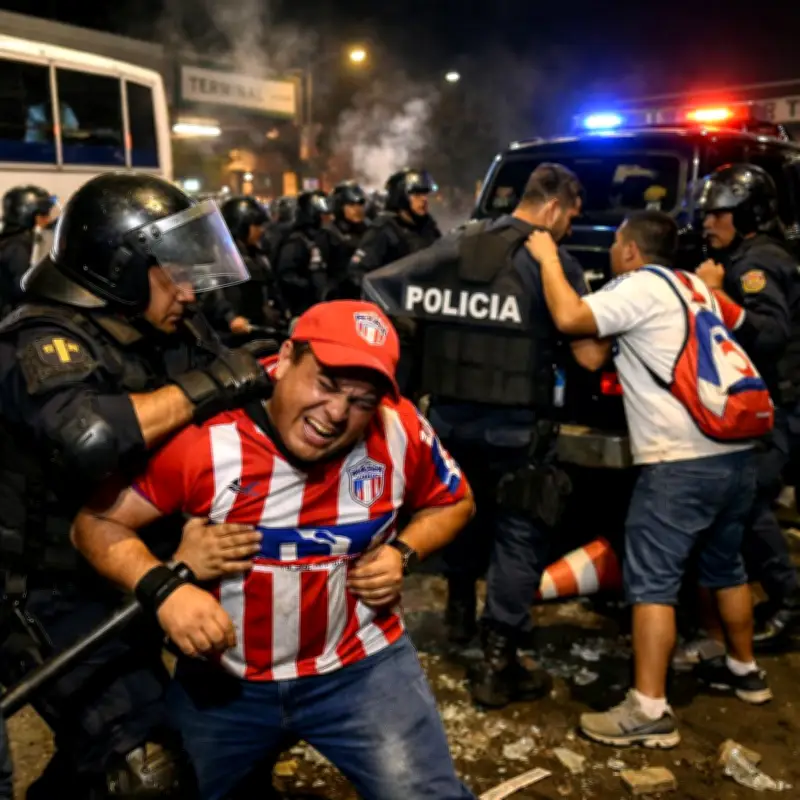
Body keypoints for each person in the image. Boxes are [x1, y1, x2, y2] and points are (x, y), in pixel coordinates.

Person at [72, 300, 476, 800]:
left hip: (361, 671)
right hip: (226, 682)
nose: (336, 414)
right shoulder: (206, 437)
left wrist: (405, 553)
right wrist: (165, 591)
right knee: (149, 789)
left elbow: (455, 501)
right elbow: (95, 523)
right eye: (326, 384)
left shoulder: (399, 428)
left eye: (361, 400)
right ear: (284, 359)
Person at [0, 172, 272, 797]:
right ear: (118, 270)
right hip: (50, 593)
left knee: (229, 729)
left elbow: (235, 394)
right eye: (171, 273)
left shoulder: (165, 328)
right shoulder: (42, 339)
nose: (189, 292)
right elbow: (90, 438)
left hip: (150, 564)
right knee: (143, 766)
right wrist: (211, 386)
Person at [363, 163, 609, 708]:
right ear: (552, 208)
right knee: (520, 535)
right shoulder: (554, 262)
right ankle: (498, 664)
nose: (569, 229)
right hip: (517, 428)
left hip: (448, 422)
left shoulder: (455, 245)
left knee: (456, 517)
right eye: (569, 217)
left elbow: (378, 289)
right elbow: (590, 355)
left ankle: (456, 617)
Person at [530, 209, 771, 747]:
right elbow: (594, 353)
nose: (615, 250)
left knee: (652, 584)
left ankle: (649, 710)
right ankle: (743, 669)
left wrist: (549, 260)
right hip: (734, 455)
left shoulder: (639, 286)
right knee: (726, 566)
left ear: (632, 251)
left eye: (618, 242)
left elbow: (571, 319)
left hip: (678, 462)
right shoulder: (692, 286)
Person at [695, 163, 800, 648]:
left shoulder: (756, 265)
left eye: (720, 215)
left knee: (749, 501)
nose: (708, 223)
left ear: (749, 215)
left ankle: (790, 601)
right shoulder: (753, 254)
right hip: (770, 404)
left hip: (779, 406)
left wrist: (718, 296)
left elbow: (773, 332)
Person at [204, 195, 288, 339]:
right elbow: (213, 293)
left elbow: (271, 288)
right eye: (256, 225)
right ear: (240, 225)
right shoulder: (219, 256)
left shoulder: (258, 254)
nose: (261, 230)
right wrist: (230, 318)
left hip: (260, 329)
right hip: (232, 336)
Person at [347, 168, 441, 289]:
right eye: (416, 194)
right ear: (400, 197)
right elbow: (358, 272)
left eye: (425, 193)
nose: (424, 199)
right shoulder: (384, 229)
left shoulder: (428, 227)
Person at [0, 185, 56, 316]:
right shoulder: (18, 248)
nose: (47, 219)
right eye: (43, 214)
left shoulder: (9, 240)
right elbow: (23, 290)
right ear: (29, 215)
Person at [275, 190, 332, 317]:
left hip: (323, 307)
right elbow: (286, 275)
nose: (328, 219)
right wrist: (310, 288)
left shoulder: (323, 238)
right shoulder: (297, 241)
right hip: (304, 309)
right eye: (323, 215)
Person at [318, 181, 369, 300]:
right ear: (339, 207)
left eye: (360, 204)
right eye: (351, 205)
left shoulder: (369, 230)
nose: (357, 209)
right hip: (340, 297)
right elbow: (321, 274)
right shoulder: (328, 234)